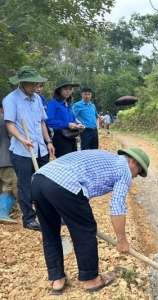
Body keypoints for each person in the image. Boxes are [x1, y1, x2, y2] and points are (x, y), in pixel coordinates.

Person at [31, 148, 149, 295]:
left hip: (39, 180)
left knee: (50, 232)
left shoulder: (108, 158)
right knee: (85, 230)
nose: (135, 177)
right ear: (133, 161)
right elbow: (117, 207)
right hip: (64, 184)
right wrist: (122, 240)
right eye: (138, 172)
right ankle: (92, 279)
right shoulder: (124, 169)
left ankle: (57, 281)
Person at [2, 65, 55, 231]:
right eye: (32, 84)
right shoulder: (11, 99)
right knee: (25, 184)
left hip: (40, 148)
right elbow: (9, 123)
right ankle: (29, 218)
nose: (35, 87)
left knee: (46, 182)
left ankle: (49, 215)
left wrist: (49, 141)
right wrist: (22, 139)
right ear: (22, 83)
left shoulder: (37, 99)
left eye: (37, 84)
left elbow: (41, 122)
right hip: (22, 150)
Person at [45, 77, 85, 158]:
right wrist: (67, 125)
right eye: (65, 89)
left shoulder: (69, 103)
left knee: (73, 161)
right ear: (59, 90)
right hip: (60, 138)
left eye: (70, 89)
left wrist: (78, 125)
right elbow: (48, 120)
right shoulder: (53, 103)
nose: (68, 91)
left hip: (71, 136)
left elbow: (72, 120)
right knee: (64, 163)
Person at [0, 102, 16, 223]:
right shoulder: (4, 120)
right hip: (5, 158)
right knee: (8, 186)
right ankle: (3, 212)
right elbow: (13, 136)